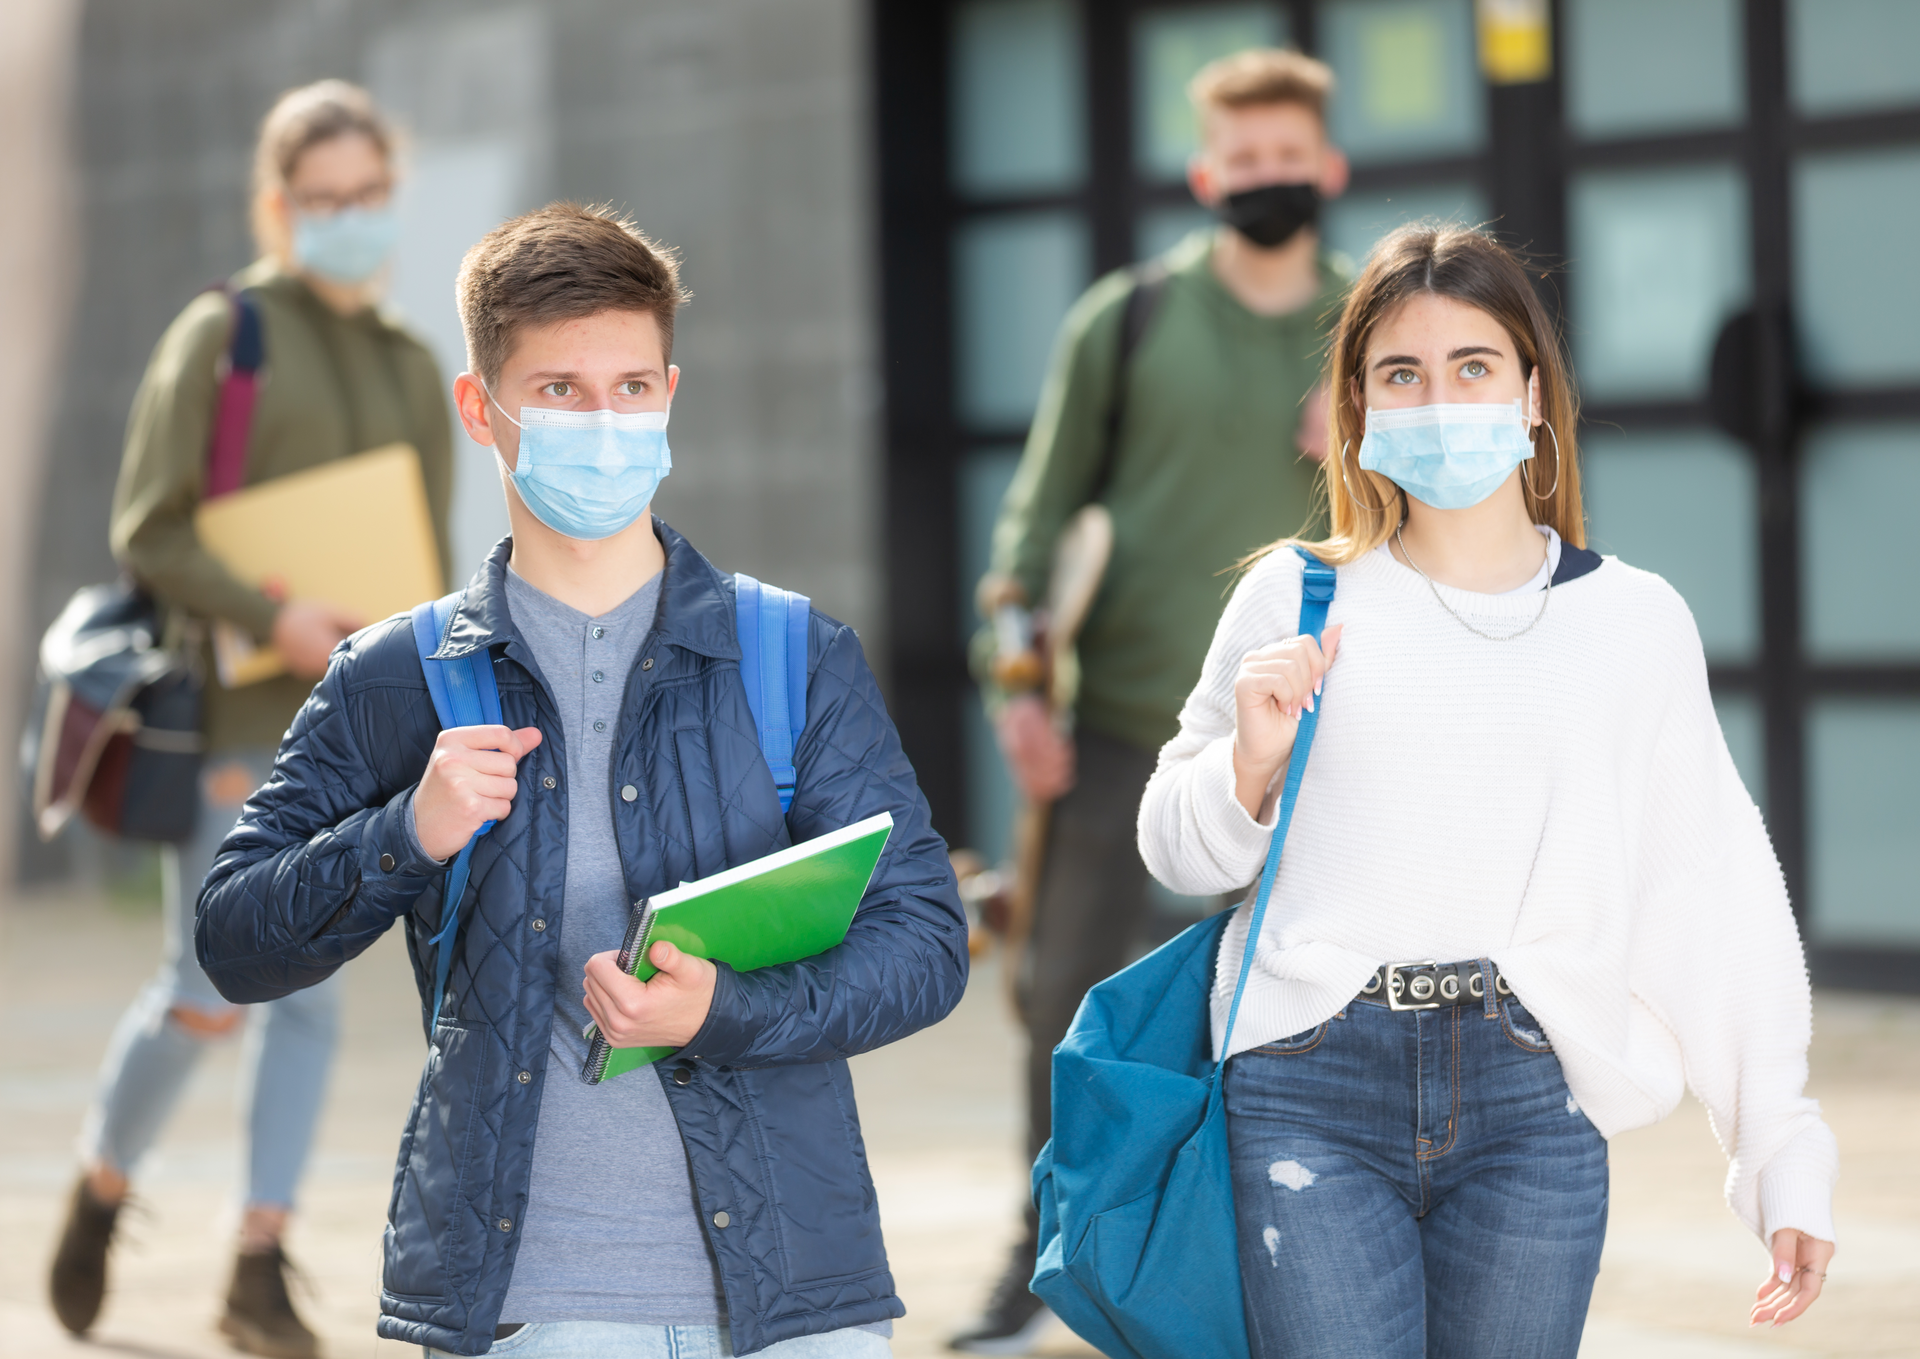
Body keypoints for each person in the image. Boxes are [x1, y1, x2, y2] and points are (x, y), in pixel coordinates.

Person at [193, 202, 968, 1358]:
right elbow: (233, 941)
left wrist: (726, 1010)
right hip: (530, 1306)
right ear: (481, 409)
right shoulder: (394, 678)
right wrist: (404, 833)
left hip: (794, 1305)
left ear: (669, 393)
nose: (602, 423)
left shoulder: (792, 653)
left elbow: (924, 943)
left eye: (631, 388)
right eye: (558, 391)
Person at [1136, 223, 1838, 1357]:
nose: (1439, 398)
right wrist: (1247, 766)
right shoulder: (1296, 598)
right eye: (1399, 374)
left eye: (1473, 366)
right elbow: (1177, 852)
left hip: (1534, 1093)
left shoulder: (1633, 621)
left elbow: (1712, 886)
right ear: (1357, 408)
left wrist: (1780, 1149)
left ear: (1529, 395)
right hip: (1308, 1081)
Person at [48, 80, 452, 1358]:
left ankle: (258, 1261)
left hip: (356, 736)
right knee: (208, 986)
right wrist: (272, 610)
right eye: (319, 198)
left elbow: (426, 562)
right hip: (234, 719)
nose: (346, 218)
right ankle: (105, 1181)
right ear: (277, 205)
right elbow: (147, 528)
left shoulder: (405, 360)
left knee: (314, 996)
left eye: (366, 195)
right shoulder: (221, 337)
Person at [955, 48, 1349, 1353]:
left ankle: (1280, 1264)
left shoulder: (1380, 332)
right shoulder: (1125, 319)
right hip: (1127, 720)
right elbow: (1028, 531)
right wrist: (1018, 685)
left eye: (1288, 157)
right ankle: (1045, 1254)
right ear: (1203, 174)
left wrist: (1362, 427)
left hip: (1322, 736)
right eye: (1243, 162)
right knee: (1067, 994)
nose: (1268, 180)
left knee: (1303, 1011)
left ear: (1329, 169)